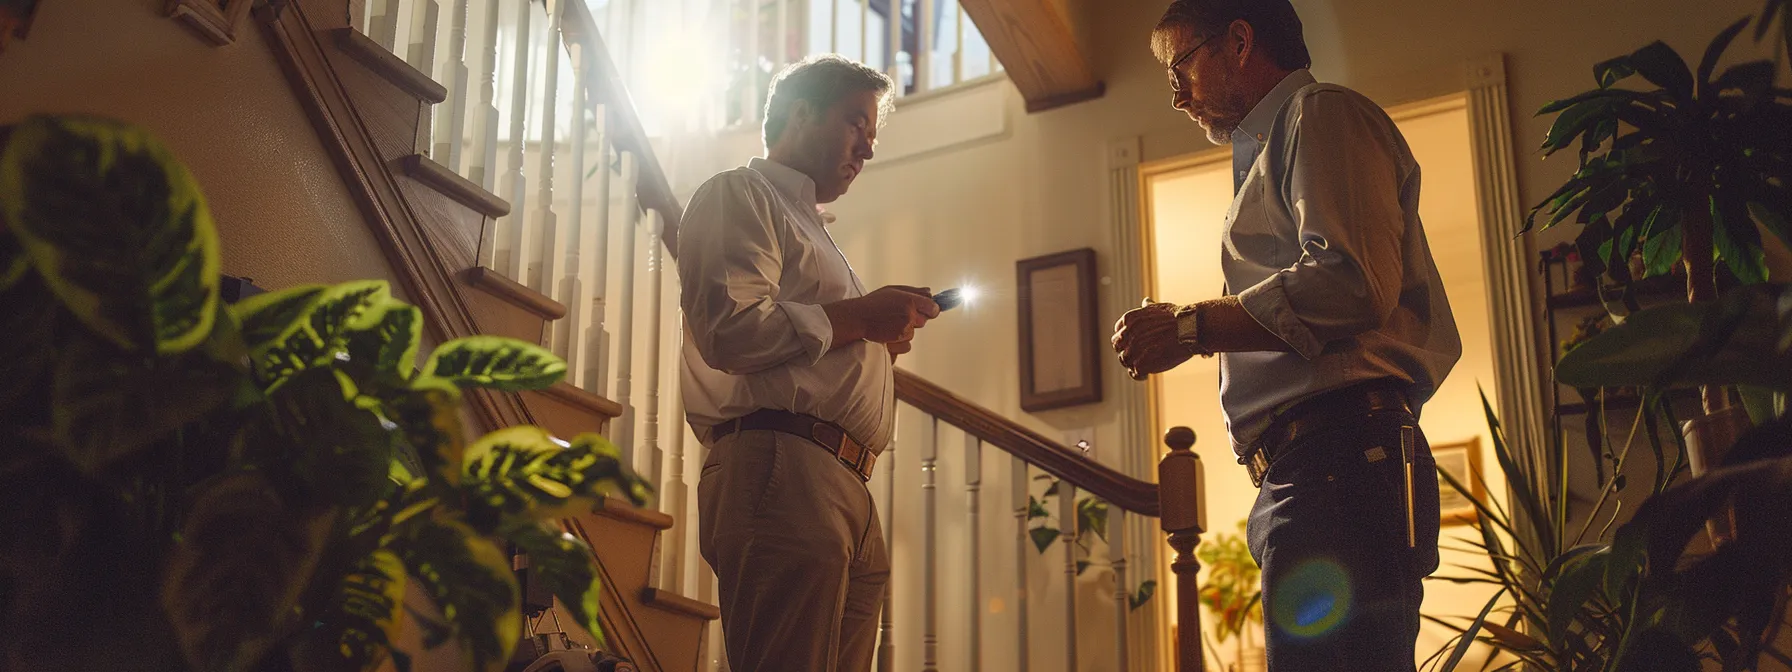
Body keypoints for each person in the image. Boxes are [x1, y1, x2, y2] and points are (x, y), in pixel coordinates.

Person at [1111, 1, 1462, 669]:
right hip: (1317, 472)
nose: (1177, 95)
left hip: (1337, 466)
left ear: (1239, 42)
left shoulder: (1320, 114)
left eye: (1180, 66)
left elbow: (1350, 282)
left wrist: (1193, 327)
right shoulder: (1278, 144)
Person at [680, 54, 941, 671]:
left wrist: (874, 340)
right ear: (799, 112)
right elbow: (730, 331)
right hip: (785, 469)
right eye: (856, 123)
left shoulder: (814, 232)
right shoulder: (740, 194)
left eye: (871, 134)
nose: (866, 150)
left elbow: (806, 345)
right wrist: (859, 319)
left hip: (842, 481)